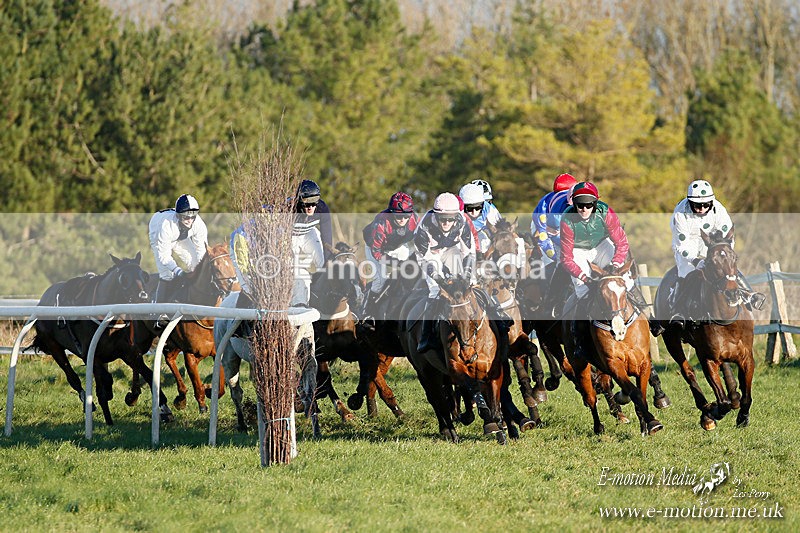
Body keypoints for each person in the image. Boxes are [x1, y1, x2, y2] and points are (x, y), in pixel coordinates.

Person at [669, 179, 764, 321]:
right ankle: (678, 311)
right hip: (688, 244)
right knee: (686, 272)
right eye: (697, 205)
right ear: (690, 203)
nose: (701, 209)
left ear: (711, 202)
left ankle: (750, 295)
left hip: (713, 243)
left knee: (727, 267)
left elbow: (728, 238)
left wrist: (722, 256)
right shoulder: (680, 215)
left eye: (705, 205)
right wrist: (696, 261)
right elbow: (682, 246)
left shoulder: (719, 210)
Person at [414, 192, 477, 352]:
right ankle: (425, 336)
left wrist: (467, 276)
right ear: (436, 215)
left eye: (451, 218)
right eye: (443, 218)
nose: (447, 222)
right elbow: (424, 260)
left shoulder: (462, 222)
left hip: (451, 250)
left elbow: (469, 252)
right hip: (430, 256)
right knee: (436, 290)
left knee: (466, 285)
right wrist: (440, 280)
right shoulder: (423, 228)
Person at [360, 192, 419, 320]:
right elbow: (377, 253)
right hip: (375, 249)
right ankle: (367, 311)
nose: (403, 219)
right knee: (380, 281)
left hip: (396, 246)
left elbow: (421, 243)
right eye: (398, 216)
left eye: (406, 215)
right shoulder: (381, 224)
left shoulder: (415, 219)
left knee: (411, 271)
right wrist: (396, 263)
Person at [532, 173, 578, 318]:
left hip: (566, 234)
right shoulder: (547, 209)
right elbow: (544, 237)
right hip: (547, 231)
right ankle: (551, 302)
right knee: (561, 262)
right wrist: (553, 255)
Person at [149, 194, 208, 305]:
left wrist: (202, 270)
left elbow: (202, 252)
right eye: (186, 217)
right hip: (158, 232)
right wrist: (178, 271)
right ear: (179, 216)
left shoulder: (199, 224)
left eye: (193, 216)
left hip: (180, 236)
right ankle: (160, 312)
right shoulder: (166, 226)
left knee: (195, 264)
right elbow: (164, 257)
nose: (189, 220)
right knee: (167, 274)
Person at [459, 182, 500, 254]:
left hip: (478, 235)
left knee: (485, 241)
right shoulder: (456, 210)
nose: (474, 212)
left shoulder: (488, 208)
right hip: (460, 237)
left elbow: (502, 229)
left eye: (478, 207)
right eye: (470, 208)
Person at [293, 179, 333, 251]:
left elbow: (327, 238)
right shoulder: (290, 209)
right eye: (307, 203)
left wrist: (327, 261)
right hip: (292, 235)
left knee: (322, 260)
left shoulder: (322, 208)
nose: (310, 207)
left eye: (314, 201)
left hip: (309, 232)